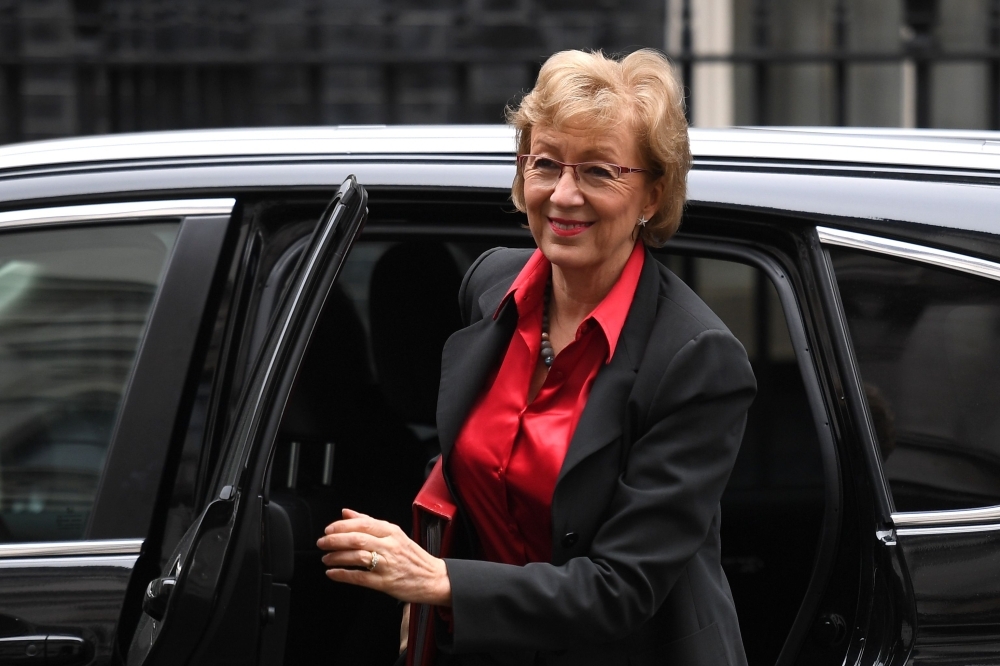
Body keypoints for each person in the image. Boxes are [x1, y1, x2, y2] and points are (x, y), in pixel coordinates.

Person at [317, 48, 757, 666]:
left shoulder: (696, 359)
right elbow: (473, 463)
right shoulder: (492, 287)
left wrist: (438, 583)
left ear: (653, 196)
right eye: (545, 163)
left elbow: (621, 589)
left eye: (600, 171)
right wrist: (429, 603)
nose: (563, 194)